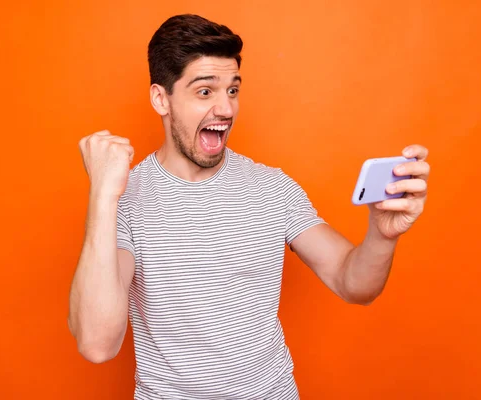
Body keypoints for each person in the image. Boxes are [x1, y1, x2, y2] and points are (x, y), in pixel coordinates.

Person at [67, 13, 430, 400]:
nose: (225, 109)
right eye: (205, 91)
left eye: (233, 90)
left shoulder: (272, 187)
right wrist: (103, 197)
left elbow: (354, 283)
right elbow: (97, 343)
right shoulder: (128, 200)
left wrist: (382, 233)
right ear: (161, 99)